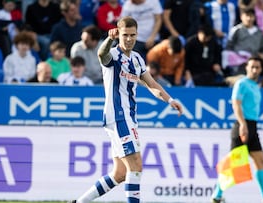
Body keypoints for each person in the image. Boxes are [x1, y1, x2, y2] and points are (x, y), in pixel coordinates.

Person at [68, 16, 182, 203]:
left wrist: (170, 100)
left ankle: (79, 202)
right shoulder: (112, 54)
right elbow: (101, 54)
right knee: (136, 165)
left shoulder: (137, 59)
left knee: (120, 173)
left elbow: (152, 84)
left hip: (129, 117)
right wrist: (109, 39)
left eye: (132, 35)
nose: (129, 39)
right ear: (118, 34)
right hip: (118, 116)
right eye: (125, 35)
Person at [211, 56, 263, 203]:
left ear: (261, 69)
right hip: (242, 126)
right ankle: (216, 195)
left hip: (253, 126)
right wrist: (242, 124)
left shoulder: (255, 86)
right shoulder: (242, 84)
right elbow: (236, 104)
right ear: (247, 68)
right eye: (252, 67)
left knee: (260, 160)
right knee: (234, 164)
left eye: (257, 67)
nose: (255, 70)